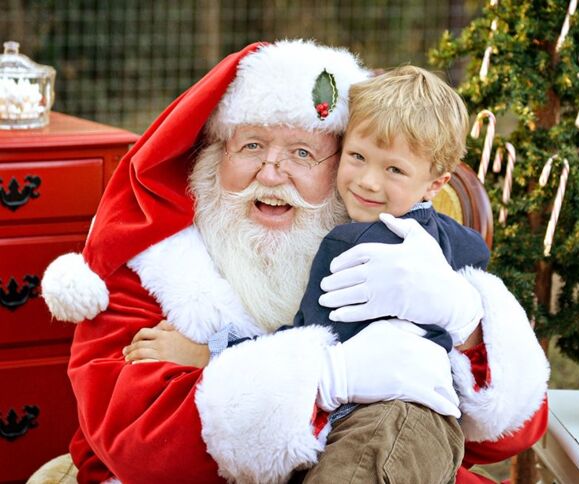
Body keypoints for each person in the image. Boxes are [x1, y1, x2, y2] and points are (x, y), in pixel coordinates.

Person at [41, 40, 549, 484]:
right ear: (213, 154)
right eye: (251, 146)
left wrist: (464, 320)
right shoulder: (155, 260)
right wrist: (327, 376)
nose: (272, 173)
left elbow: (512, 429)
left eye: (303, 153)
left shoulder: (399, 244)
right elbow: (142, 441)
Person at [123, 65, 491, 483]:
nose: (368, 182)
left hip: (381, 426)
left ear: (435, 184)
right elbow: (477, 253)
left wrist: (210, 353)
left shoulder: (347, 245)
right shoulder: (452, 237)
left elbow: (304, 345)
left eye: (394, 170)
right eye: (357, 158)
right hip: (432, 434)